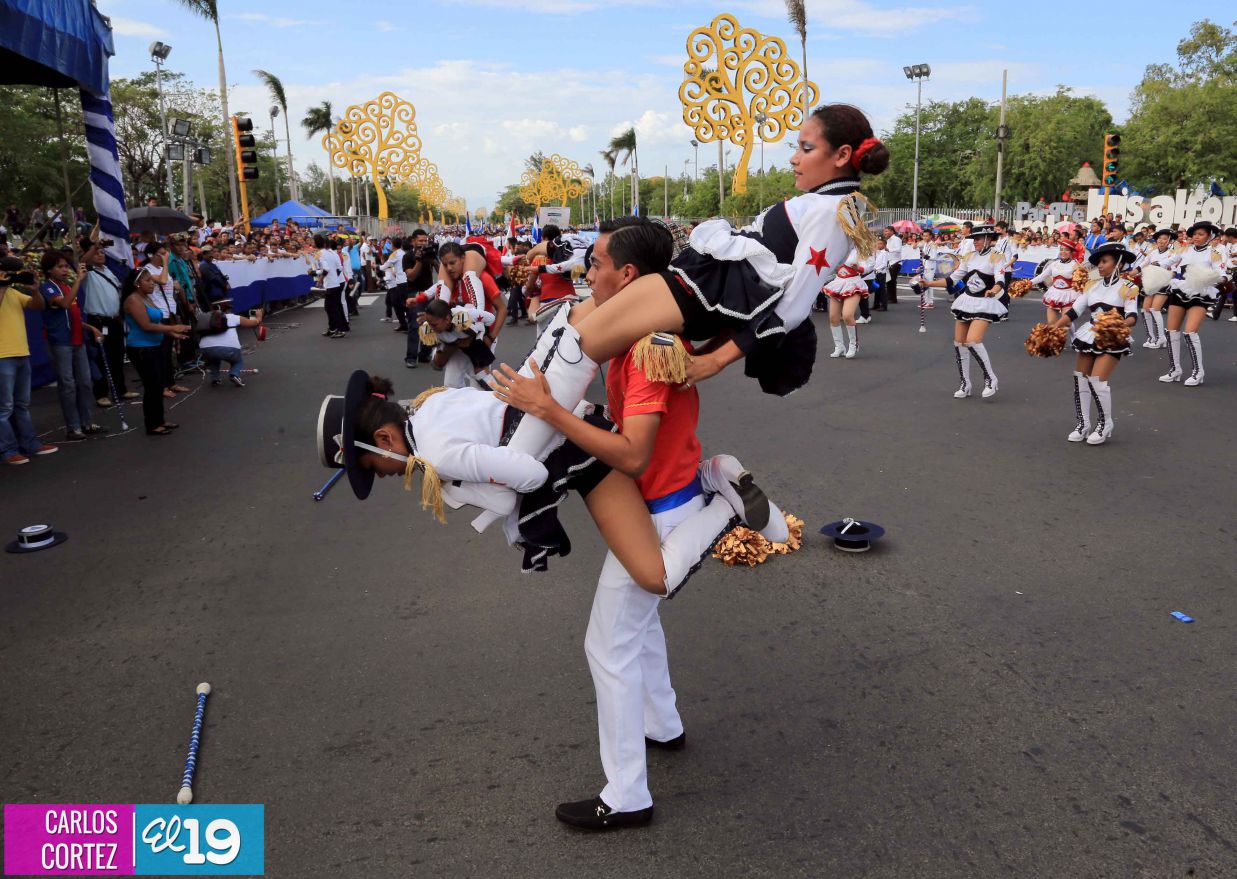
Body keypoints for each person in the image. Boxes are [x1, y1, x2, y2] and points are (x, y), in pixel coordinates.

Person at [1048, 242, 1138, 445]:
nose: (1101, 266)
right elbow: (1074, 311)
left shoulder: (1129, 288)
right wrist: (1055, 327)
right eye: (1099, 262)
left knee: (1098, 380)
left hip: (1112, 336)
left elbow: (1133, 315)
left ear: (1119, 264)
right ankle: (1083, 423)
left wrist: (1118, 325)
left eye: (1105, 261)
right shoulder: (1092, 286)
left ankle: (1105, 424)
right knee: (1081, 378)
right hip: (1089, 334)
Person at [914, 224, 1007, 399]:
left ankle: (990, 378)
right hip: (966, 301)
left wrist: (993, 290)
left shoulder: (997, 257)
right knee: (959, 343)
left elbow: (1000, 280)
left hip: (984, 303)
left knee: (973, 341)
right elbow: (952, 280)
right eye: (974, 239)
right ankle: (965, 383)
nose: (975, 242)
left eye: (978, 239)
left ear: (988, 239)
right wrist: (929, 284)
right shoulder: (969, 257)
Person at [0, 256, 58, 464]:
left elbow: (37, 306)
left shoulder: (14, 292)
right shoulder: (5, 290)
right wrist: (3, 285)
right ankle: (8, 451)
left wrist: (34, 289)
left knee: (21, 404)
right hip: (2, 356)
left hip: (21, 353)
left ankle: (31, 444)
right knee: (4, 408)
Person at [39, 250, 102, 439]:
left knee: (84, 382)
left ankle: (87, 422)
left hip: (78, 340)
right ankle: (73, 426)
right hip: (61, 343)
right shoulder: (48, 288)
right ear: (49, 270)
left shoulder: (67, 287)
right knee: (68, 384)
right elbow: (65, 305)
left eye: (66, 266)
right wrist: (78, 281)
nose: (65, 270)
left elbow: (73, 316)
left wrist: (90, 327)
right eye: (60, 266)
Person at [122, 267, 191, 435]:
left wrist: (172, 333)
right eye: (148, 280)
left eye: (152, 280)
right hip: (142, 348)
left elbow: (155, 322)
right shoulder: (133, 300)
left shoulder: (145, 298)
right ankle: (152, 424)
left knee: (158, 384)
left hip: (155, 345)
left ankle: (159, 419)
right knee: (152, 385)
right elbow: (146, 325)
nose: (152, 283)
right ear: (137, 284)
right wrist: (173, 326)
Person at [1159, 221, 1224, 386]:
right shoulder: (1184, 250)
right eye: (1194, 234)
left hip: (1200, 294)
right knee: (1171, 331)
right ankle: (1175, 370)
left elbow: (1223, 275)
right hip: (1180, 290)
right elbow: (1165, 262)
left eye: (1201, 234)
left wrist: (1214, 279)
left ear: (1209, 237)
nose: (1196, 237)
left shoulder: (1213, 254)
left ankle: (1198, 372)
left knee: (1190, 333)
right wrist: (1142, 269)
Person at [78, 238, 138, 407]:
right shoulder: (87, 272)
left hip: (114, 320)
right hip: (98, 322)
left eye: (102, 252)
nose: (100, 255)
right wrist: (96, 245)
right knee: (101, 358)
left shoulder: (108, 270)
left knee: (117, 357)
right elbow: (82, 260)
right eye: (96, 252)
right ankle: (101, 393)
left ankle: (121, 390)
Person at [1133, 229, 1178, 348]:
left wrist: (1162, 274)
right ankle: (1151, 337)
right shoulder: (1152, 253)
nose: (1161, 241)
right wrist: (1130, 273)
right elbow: (1142, 265)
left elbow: (1174, 272)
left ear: (1169, 241)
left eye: (1164, 238)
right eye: (1159, 238)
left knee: (1155, 309)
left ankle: (1161, 338)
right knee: (1145, 310)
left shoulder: (1173, 254)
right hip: (1151, 284)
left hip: (1163, 284)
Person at [821, 246, 869, 358]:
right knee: (833, 318)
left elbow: (867, 266)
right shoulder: (837, 247)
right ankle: (839, 347)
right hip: (838, 283)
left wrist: (859, 268)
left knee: (847, 315)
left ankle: (853, 345)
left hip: (853, 283)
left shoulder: (860, 249)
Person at [1031, 240, 1083, 343]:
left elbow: (1081, 283)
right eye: (1061, 249)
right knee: (1051, 323)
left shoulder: (1076, 265)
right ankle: (1056, 342)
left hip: (1069, 294)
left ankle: (1074, 337)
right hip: (1054, 294)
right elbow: (1042, 276)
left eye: (1066, 250)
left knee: (1066, 321)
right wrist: (1028, 283)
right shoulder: (1054, 264)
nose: (1063, 252)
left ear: (1071, 252)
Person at [199, 304, 263, 387]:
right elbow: (253, 323)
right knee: (237, 361)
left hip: (205, 348)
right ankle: (234, 374)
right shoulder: (232, 317)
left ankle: (215, 379)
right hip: (229, 348)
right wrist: (258, 317)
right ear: (228, 309)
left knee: (213, 359)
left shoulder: (207, 318)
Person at [401, 230, 437, 368]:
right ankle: (411, 357)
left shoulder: (429, 253)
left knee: (430, 324)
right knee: (415, 325)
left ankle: (424, 354)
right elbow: (411, 276)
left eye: (425, 240)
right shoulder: (408, 257)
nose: (423, 243)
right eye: (420, 241)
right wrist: (419, 261)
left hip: (429, 293)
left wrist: (433, 260)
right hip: (414, 293)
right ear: (413, 241)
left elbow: (441, 271)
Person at [315, 234, 348, 338]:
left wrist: (319, 279)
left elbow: (326, 269)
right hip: (336, 283)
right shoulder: (332, 253)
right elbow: (339, 268)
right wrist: (335, 278)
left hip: (331, 285)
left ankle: (339, 329)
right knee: (332, 307)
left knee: (331, 308)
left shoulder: (320, 253)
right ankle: (333, 328)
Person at [882, 225, 903, 303]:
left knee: (892, 281)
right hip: (890, 262)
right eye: (885, 231)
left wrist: (888, 249)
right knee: (889, 281)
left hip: (896, 262)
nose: (885, 233)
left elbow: (898, 249)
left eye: (886, 231)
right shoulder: (888, 240)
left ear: (892, 231)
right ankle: (890, 297)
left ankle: (893, 299)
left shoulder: (896, 239)